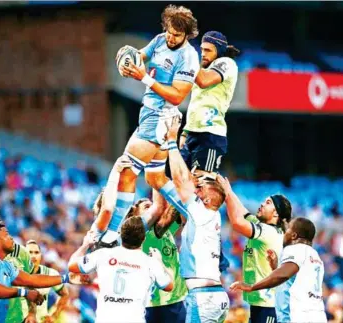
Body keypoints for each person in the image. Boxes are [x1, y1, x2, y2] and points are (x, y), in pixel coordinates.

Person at [95, 4, 201, 247]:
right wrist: (126, 64)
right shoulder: (160, 40)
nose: (171, 38)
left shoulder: (188, 57)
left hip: (160, 116)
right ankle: (196, 214)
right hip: (151, 114)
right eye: (169, 32)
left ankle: (111, 236)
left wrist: (143, 77)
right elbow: (139, 56)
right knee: (154, 178)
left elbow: (176, 96)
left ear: (187, 34)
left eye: (177, 35)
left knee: (126, 171)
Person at [0, 220, 88, 323]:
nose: (12, 238)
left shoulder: (6, 266)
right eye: (7, 235)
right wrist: (24, 292)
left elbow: (32, 279)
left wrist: (66, 278)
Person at [164, 116, 229, 322]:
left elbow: (180, 181)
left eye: (201, 188)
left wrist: (171, 142)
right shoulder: (209, 215)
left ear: (209, 198)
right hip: (214, 295)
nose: (197, 188)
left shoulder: (202, 212)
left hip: (203, 297)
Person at [68, 217, 174, 323]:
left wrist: (85, 244)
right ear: (143, 239)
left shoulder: (103, 254)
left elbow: (72, 265)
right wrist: (159, 261)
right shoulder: (150, 262)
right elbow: (169, 286)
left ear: (120, 235)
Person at [216, 174, 292, 323]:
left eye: (268, 202)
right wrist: (229, 192)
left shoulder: (268, 232)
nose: (262, 204)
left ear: (276, 213)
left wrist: (226, 193)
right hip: (260, 303)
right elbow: (243, 213)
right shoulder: (264, 227)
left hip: (268, 305)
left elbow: (237, 222)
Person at [230, 217, 327, 323]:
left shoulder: (295, 249)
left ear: (294, 235)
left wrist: (252, 287)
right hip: (317, 315)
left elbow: (282, 275)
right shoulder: (314, 255)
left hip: (298, 317)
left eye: (287, 229)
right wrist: (276, 267)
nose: (284, 233)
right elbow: (291, 280)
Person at [179, 31, 240, 177]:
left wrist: (188, 54)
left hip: (210, 135)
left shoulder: (227, 63)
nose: (203, 54)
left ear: (218, 51)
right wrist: (185, 133)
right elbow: (196, 104)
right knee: (178, 180)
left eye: (208, 50)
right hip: (192, 133)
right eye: (201, 49)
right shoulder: (202, 69)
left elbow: (204, 81)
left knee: (202, 186)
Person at [126, 200, 188, 323]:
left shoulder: (166, 231)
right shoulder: (146, 234)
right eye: (147, 207)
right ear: (136, 216)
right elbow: (173, 209)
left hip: (175, 300)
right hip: (158, 304)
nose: (155, 210)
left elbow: (182, 214)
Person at [24, 240, 70, 323]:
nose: (33, 256)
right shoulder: (14, 273)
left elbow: (64, 294)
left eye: (36, 252)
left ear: (41, 255)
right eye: (30, 252)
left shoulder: (51, 273)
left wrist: (54, 314)